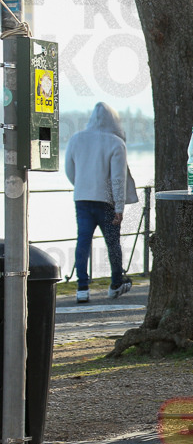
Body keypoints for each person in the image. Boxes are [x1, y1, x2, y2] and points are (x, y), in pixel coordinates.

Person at [64, 102, 139, 303]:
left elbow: (69, 170)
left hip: (82, 198)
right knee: (112, 243)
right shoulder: (116, 143)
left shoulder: (76, 139)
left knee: (83, 241)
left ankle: (82, 288)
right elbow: (118, 179)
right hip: (107, 202)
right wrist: (119, 207)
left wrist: (82, 185)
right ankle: (116, 283)